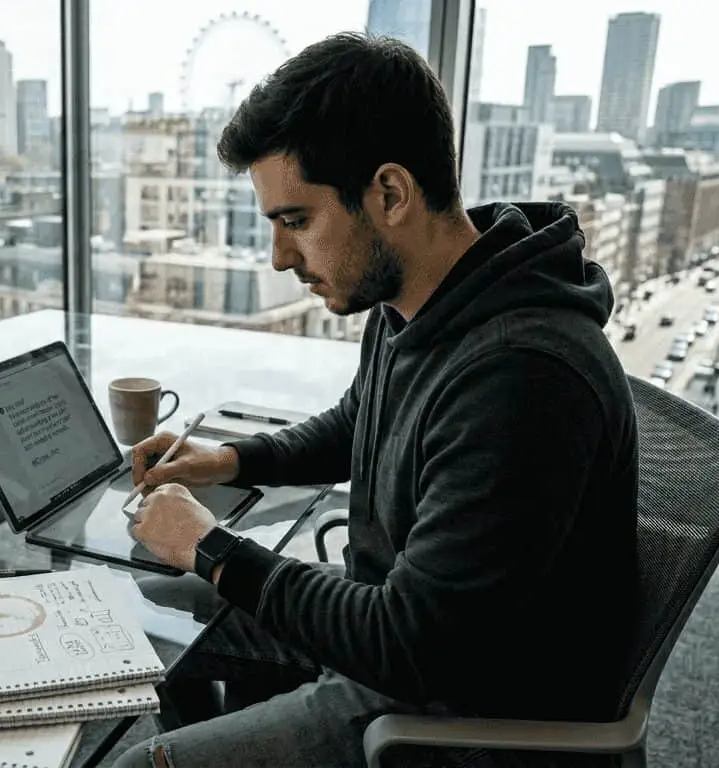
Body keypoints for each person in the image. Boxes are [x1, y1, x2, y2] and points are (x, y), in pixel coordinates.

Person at [119, 32, 638, 768]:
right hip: (398, 620)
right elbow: (361, 422)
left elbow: (408, 644)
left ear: (389, 194)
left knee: (142, 764)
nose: (279, 257)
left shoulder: (524, 377)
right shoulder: (417, 298)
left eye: (295, 221)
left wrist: (210, 546)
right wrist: (227, 460)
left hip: (454, 704)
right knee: (141, 615)